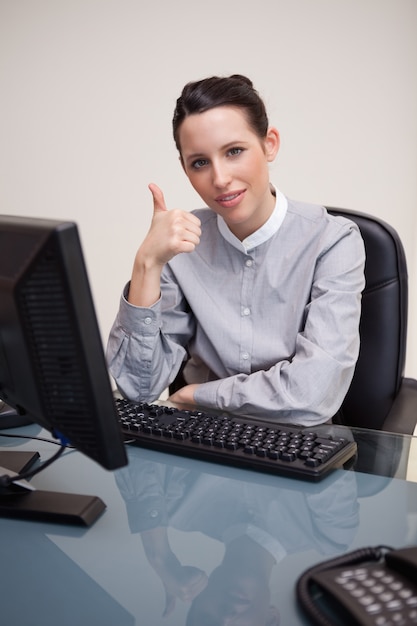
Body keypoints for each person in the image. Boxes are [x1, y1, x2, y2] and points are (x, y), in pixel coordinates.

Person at [107, 74, 365, 426]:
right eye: (199, 162)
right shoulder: (181, 245)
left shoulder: (332, 240)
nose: (220, 178)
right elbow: (139, 388)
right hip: (203, 439)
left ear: (269, 144)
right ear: (184, 168)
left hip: (299, 447)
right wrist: (147, 263)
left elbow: (312, 394)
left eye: (234, 152)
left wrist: (200, 394)